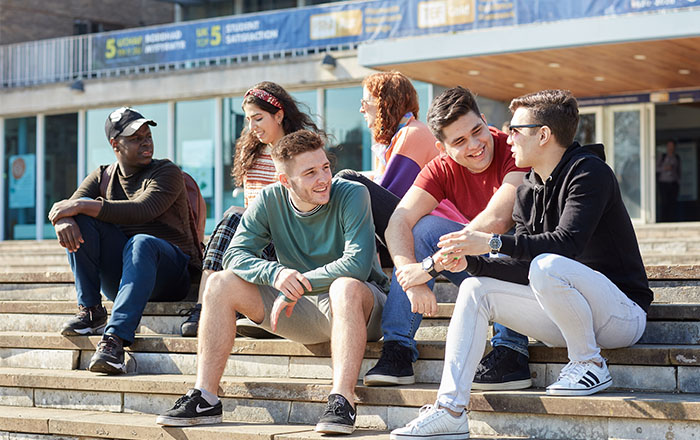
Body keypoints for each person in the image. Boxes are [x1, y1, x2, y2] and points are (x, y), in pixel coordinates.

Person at [391, 89, 653, 439]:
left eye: (515, 129)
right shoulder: (528, 188)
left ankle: (590, 364)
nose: (506, 135)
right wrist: (471, 264)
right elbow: (519, 267)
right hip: (564, 314)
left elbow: (567, 245)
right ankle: (450, 409)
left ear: (543, 134)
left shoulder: (590, 173)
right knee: (474, 287)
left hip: (621, 314)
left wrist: (492, 243)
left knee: (546, 264)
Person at [157, 130, 389, 435]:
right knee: (220, 284)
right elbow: (234, 256)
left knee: (343, 286)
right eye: (310, 173)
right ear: (285, 181)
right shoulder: (269, 200)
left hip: (359, 308)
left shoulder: (351, 193)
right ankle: (205, 396)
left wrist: (299, 282)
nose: (324, 178)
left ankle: (342, 401)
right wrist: (276, 274)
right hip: (298, 308)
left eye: (325, 167)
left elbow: (356, 265)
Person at [363, 86, 530, 390]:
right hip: (482, 261)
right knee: (423, 229)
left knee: (503, 237)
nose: (476, 144)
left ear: (483, 118)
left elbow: (499, 217)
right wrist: (411, 276)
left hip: (533, 267)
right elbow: (398, 222)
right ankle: (398, 349)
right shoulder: (440, 168)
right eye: (460, 141)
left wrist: (430, 265)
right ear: (441, 148)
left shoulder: (514, 149)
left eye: (478, 130)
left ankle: (512, 350)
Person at [50, 107, 202, 374]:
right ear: (115, 144)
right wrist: (63, 219)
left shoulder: (167, 172)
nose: (145, 141)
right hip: (124, 275)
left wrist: (77, 207)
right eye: (135, 138)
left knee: (141, 241)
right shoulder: (102, 176)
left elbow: (142, 209)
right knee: (82, 221)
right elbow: (68, 207)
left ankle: (114, 342)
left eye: (148, 135)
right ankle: (91, 311)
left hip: (171, 274)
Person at [180, 81, 325, 337]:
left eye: (258, 118)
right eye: (248, 120)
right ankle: (204, 305)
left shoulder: (301, 153)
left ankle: (211, 306)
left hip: (290, 241)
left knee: (234, 217)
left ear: (279, 115)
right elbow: (251, 209)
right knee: (233, 219)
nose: (252, 127)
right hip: (255, 239)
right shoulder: (252, 152)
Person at [337, 71, 466, 266]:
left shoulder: (412, 134)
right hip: (421, 226)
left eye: (365, 102)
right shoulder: (400, 136)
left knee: (348, 180)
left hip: (435, 226)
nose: (361, 110)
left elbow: (389, 194)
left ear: (385, 103)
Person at [656, 139, 681, 222]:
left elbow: (679, 170)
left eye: (672, 146)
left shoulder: (676, 157)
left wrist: (678, 181)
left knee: (673, 203)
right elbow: (656, 168)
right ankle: (664, 220)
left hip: (673, 183)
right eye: (669, 146)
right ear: (667, 147)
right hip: (663, 183)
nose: (670, 147)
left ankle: (672, 220)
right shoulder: (662, 157)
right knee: (664, 202)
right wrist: (665, 168)